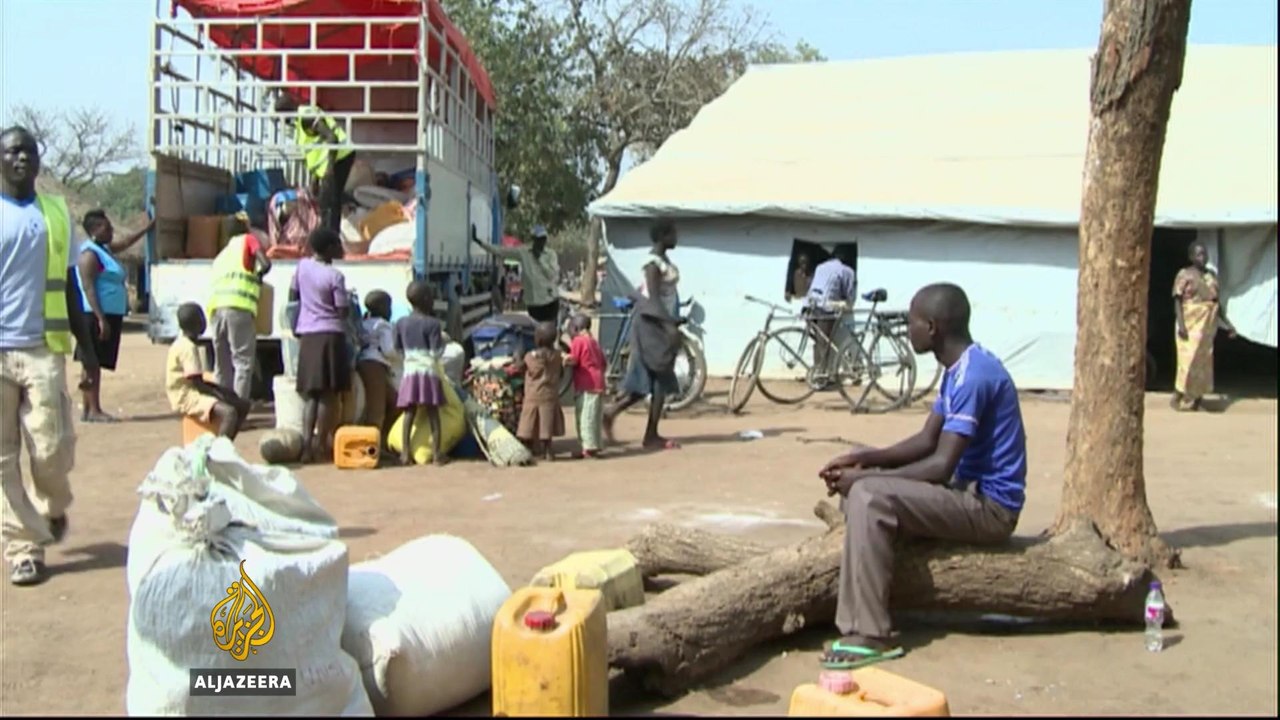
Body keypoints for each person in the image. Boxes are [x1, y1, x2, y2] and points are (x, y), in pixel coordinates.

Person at [817, 283, 1026, 669]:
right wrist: (863, 460)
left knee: (867, 497)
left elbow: (940, 464)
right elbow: (926, 440)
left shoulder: (974, 376)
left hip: (989, 508)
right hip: (963, 493)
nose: (906, 328)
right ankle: (876, 581)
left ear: (932, 327)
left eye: (911, 321)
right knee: (861, 490)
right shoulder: (958, 369)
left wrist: (865, 482)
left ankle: (869, 633)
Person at [1, 125, 83, 587]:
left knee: (51, 447)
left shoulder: (55, 213)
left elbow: (69, 283)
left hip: (42, 348)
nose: (21, 159)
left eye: (29, 152)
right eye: (12, 151)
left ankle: (50, 510)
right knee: (2, 459)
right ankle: (23, 548)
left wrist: (88, 347)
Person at [603, 219, 683, 451]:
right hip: (651, 325)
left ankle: (614, 414)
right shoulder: (653, 265)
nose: (676, 237)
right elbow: (653, 299)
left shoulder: (663, 262)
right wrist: (669, 326)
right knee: (656, 378)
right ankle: (650, 434)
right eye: (673, 232)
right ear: (663, 236)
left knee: (652, 380)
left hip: (658, 322)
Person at [72, 209, 152, 423]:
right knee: (91, 363)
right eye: (107, 227)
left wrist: (146, 229)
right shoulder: (89, 254)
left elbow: (125, 243)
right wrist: (100, 318)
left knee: (93, 363)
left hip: (106, 314)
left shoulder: (103, 250)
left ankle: (89, 410)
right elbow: (88, 287)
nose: (112, 230)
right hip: (94, 315)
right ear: (95, 230)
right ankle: (94, 409)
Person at [289, 228, 351, 463]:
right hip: (331, 335)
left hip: (308, 334)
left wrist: (297, 321)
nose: (340, 249)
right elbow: (342, 310)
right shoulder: (335, 276)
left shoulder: (302, 267)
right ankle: (320, 443)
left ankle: (306, 445)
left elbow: (292, 296)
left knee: (311, 394)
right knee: (328, 394)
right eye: (337, 245)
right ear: (327, 249)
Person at [207, 219, 271, 403]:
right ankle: (238, 411)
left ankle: (222, 409)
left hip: (216, 310)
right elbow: (265, 264)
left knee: (222, 365)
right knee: (242, 363)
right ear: (245, 228)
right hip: (238, 308)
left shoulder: (222, 255)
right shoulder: (248, 240)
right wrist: (258, 277)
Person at [165, 303, 250, 440]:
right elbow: (198, 385)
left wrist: (225, 391)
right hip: (184, 396)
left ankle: (227, 444)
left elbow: (199, 381)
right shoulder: (187, 348)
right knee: (229, 413)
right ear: (197, 324)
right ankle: (218, 452)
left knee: (243, 405)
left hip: (191, 389)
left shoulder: (184, 342)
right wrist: (222, 395)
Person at [275, 93, 355, 232]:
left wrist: (329, 169)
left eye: (282, 117)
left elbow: (332, 137)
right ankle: (330, 239)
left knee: (329, 201)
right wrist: (315, 178)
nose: (284, 122)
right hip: (334, 159)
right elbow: (314, 154)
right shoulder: (300, 123)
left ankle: (330, 241)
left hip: (340, 157)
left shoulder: (306, 117)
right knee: (327, 201)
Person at [1172, 241, 1237, 412]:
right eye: (1199, 254)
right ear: (1191, 257)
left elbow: (1216, 303)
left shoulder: (1211, 276)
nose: (1203, 257)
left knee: (1204, 362)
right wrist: (1181, 324)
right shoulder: (1184, 275)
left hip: (1207, 325)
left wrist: (1228, 325)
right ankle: (1178, 394)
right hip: (1190, 321)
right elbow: (1177, 300)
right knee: (1188, 360)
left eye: (1205, 254)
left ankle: (1197, 400)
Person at [395, 280, 448, 466]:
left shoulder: (401, 323)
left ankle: (405, 453)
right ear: (427, 299)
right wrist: (445, 344)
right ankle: (436, 454)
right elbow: (436, 353)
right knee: (433, 413)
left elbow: (398, 349)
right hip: (429, 373)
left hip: (410, 372)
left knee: (409, 413)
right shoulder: (433, 324)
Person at [473, 224, 560, 322]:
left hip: (549, 301)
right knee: (536, 332)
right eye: (539, 239)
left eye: (543, 239)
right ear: (533, 239)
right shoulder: (524, 252)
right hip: (533, 303)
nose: (542, 242)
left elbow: (552, 274)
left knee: (550, 331)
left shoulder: (551, 255)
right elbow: (501, 251)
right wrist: (480, 242)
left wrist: (539, 259)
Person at [517, 322, 566, 461]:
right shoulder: (557, 355)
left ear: (537, 339)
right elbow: (561, 372)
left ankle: (529, 446)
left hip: (533, 395)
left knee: (530, 422)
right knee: (547, 423)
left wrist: (517, 355)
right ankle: (548, 451)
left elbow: (520, 367)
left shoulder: (531, 356)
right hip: (550, 395)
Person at [805, 247, 858, 376]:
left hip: (811, 306)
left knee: (818, 341)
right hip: (826, 308)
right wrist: (846, 304)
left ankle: (818, 372)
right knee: (825, 342)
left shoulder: (820, 267)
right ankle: (824, 374)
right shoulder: (846, 271)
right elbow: (850, 294)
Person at [356, 290, 398, 441]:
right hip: (375, 366)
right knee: (377, 409)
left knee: (394, 401)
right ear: (384, 308)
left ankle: (385, 439)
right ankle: (373, 443)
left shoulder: (363, 323)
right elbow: (389, 350)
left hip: (361, 362)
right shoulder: (383, 325)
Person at [565, 313, 606, 459]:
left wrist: (563, 359)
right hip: (599, 382)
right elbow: (603, 361)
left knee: (584, 417)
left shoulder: (578, 341)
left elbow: (573, 360)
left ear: (576, 328)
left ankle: (587, 448)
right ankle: (594, 446)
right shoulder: (593, 342)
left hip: (586, 385)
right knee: (594, 417)